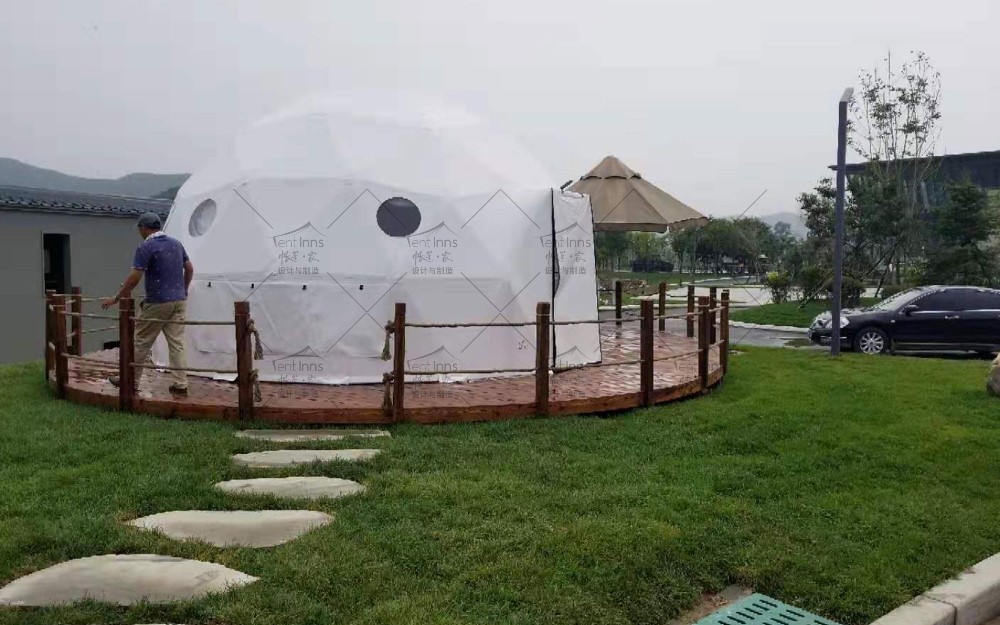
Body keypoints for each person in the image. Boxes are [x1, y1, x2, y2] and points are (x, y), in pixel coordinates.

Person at [102, 212, 194, 395]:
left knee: (141, 341)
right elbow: (189, 269)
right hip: (179, 301)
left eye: (139, 228)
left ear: (144, 228)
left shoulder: (146, 247)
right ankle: (180, 383)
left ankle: (130, 381)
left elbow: (134, 278)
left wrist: (117, 297)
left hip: (158, 302)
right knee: (176, 344)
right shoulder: (176, 244)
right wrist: (183, 290)